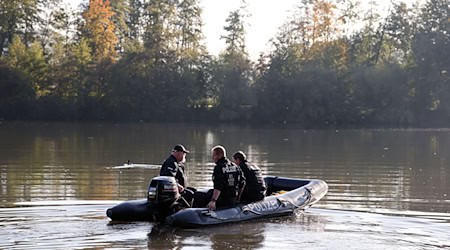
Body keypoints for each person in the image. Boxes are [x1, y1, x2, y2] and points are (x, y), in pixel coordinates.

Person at [207, 145, 246, 210]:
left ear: (219, 156)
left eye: (214, 155)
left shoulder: (219, 167)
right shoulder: (235, 166)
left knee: (198, 195)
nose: (212, 157)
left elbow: (218, 186)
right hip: (233, 199)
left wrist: (213, 201)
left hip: (222, 200)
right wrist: (238, 197)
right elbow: (242, 183)